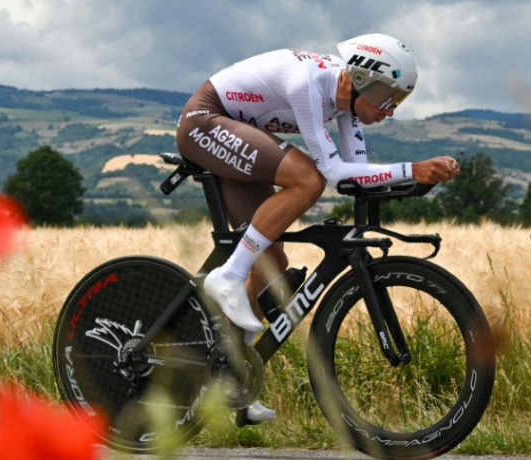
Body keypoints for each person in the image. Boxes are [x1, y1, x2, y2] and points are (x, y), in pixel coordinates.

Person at [176, 33, 460, 422]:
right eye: (389, 98)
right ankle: (228, 275)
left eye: (399, 102)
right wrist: (412, 167)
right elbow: (330, 173)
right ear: (363, 80)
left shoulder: (347, 106)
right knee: (307, 178)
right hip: (204, 123)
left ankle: (231, 381)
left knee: (272, 261)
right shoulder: (309, 82)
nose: (391, 111)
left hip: (237, 133)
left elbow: (353, 177)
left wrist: (417, 181)